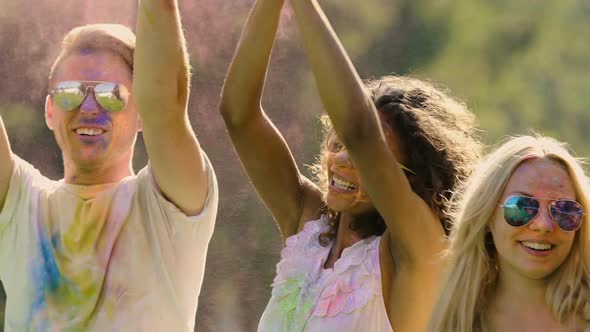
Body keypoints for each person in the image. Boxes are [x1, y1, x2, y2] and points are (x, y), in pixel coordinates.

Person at [219, 0, 482, 330]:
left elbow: (360, 131)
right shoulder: (307, 228)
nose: (343, 158)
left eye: (363, 158)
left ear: (410, 181)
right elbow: (238, 115)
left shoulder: (414, 254)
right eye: (336, 143)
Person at [0, 0, 218, 330]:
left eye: (111, 94)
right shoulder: (18, 203)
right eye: (70, 92)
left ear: (143, 112)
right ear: (49, 110)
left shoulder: (165, 206)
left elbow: (165, 98)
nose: (89, 107)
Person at [428, 136, 590, 331]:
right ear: (488, 215)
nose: (543, 225)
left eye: (564, 210)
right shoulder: (457, 319)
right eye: (522, 206)